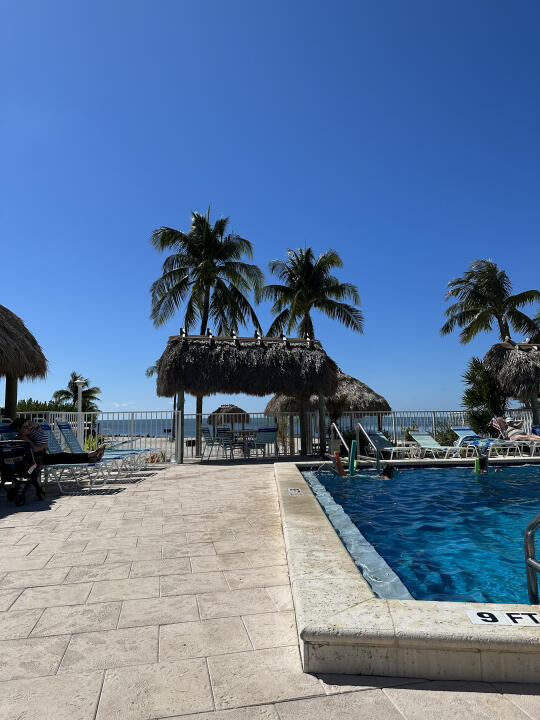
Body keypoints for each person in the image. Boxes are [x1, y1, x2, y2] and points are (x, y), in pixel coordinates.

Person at [11, 418, 106, 465]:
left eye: (28, 426)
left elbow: (42, 433)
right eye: (25, 427)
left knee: (64, 456)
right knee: (63, 456)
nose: (28, 428)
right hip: (37, 461)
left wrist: (35, 426)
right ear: (18, 429)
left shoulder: (26, 435)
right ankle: (91, 455)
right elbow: (35, 449)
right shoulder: (22, 438)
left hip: (39, 458)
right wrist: (45, 445)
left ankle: (92, 458)